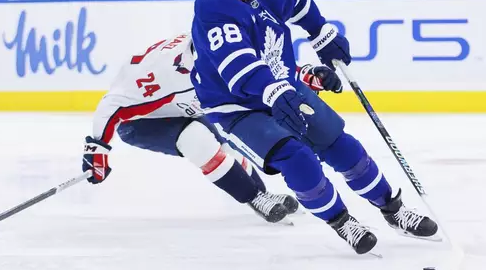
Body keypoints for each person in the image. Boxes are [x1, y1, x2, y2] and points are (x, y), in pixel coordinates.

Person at [190, 0, 438, 255]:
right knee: (297, 158)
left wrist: (320, 32)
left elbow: (298, 2)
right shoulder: (212, 7)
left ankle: (393, 209)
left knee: (340, 144)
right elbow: (237, 65)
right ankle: (342, 222)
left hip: (281, 86)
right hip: (238, 105)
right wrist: (277, 91)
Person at [79, 34, 359, 223]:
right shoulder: (160, 75)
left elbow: (263, 67)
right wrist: (97, 149)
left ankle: (259, 193)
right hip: (141, 123)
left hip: (188, 109)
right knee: (196, 139)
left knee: (228, 138)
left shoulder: (220, 46)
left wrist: (305, 74)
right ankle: (255, 197)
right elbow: (112, 105)